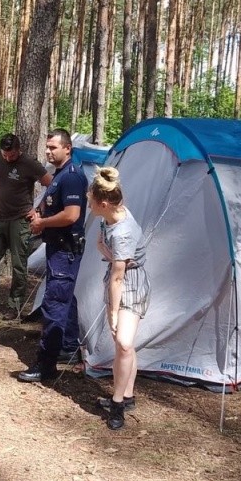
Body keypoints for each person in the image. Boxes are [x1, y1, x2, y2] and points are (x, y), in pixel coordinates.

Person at [18, 129, 88, 383]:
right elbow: (51, 205)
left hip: (65, 249)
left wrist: (43, 223)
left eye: (53, 147)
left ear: (67, 148)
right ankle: (69, 346)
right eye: (47, 147)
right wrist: (37, 215)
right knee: (65, 297)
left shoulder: (72, 177)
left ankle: (46, 365)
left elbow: (71, 215)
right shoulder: (59, 175)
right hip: (57, 248)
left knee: (55, 304)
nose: (48, 151)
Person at [87, 167, 150, 430]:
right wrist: (109, 254)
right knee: (124, 345)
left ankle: (117, 403)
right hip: (119, 281)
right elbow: (101, 243)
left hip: (130, 286)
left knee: (123, 343)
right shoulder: (111, 215)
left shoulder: (122, 232)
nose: (88, 205)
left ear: (103, 204)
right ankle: (127, 394)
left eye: (90, 202)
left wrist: (113, 312)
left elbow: (118, 278)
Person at [0, 133, 52, 322]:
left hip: (20, 220)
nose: (8, 158)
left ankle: (14, 306)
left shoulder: (29, 163)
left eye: (11, 156)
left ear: (18, 150)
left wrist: (38, 210)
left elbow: (51, 184)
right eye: (5, 155)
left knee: (19, 265)